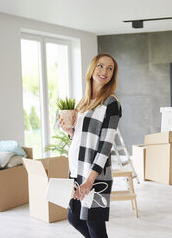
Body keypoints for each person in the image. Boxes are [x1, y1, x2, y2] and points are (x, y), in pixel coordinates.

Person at [59, 53, 121, 238]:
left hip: (95, 174)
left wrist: (90, 180)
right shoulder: (84, 102)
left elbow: (105, 145)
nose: (105, 71)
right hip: (77, 170)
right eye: (101, 66)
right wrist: (70, 132)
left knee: (95, 225)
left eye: (110, 68)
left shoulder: (111, 103)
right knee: (74, 218)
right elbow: (82, 137)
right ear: (92, 68)